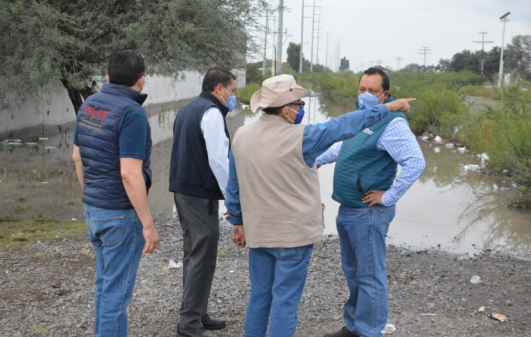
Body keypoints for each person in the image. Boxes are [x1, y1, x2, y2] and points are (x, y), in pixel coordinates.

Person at [225, 74, 416, 337]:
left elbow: (233, 186)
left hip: (258, 232)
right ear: (285, 109)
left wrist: (237, 221)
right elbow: (341, 126)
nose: (301, 109)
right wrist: (387, 107)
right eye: (299, 104)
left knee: (259, 297)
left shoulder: (241, 135)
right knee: (285, 301)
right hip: (292, 236)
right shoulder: (302, 137)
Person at [318, 67, 426, 337]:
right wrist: (314, 160)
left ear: (386, 95)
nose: (365, 95)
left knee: (369, 276)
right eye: (362, 89)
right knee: (354, 273)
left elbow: (416, 163)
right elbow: (342, 147)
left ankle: (368, 332)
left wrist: (387, 196)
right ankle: (354, 325)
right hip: (348, 208)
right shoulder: (360, 119)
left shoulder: (392, 124)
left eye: (373, 91)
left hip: (367, 212)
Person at [72, 50, 160, 337]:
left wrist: (94, 196)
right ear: (142, 81)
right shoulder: (132, 113)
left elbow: (76, 157)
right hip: (120, 215)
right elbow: (130, 173)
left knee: (105, 286)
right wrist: (148, 224)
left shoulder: (89, 105)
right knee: (116, 296)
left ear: (107, 76)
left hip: (93, 209)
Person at [169, 67, 237, 337]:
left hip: (184, 191)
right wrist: (232, 198)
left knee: (194, 254)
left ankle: (197, 312)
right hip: (199, 194)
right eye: (232, 91)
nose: (233, 96)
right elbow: (219, 160)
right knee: (202, 257)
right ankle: (189, 324)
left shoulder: (189, 108)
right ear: (219, 89)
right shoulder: (210, 113)